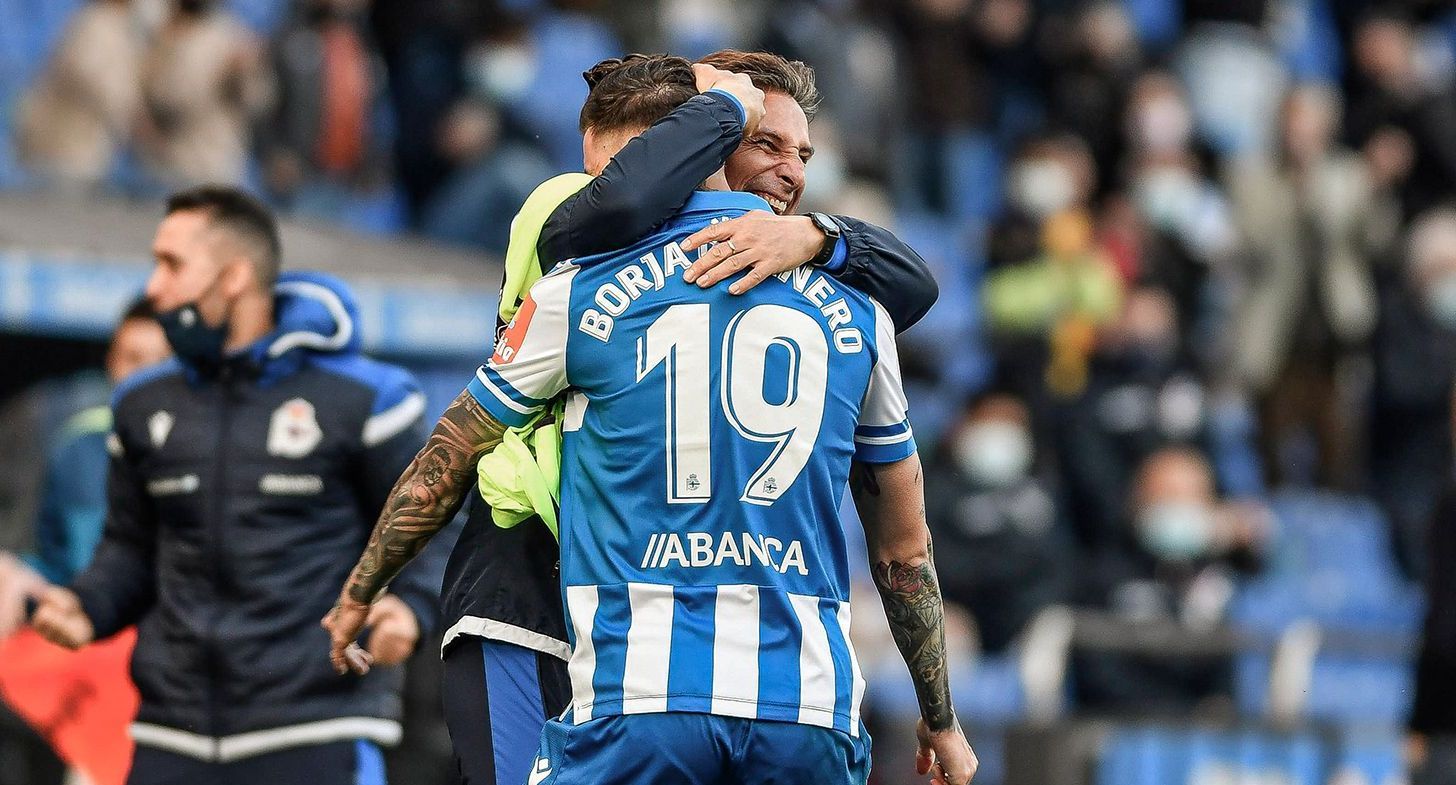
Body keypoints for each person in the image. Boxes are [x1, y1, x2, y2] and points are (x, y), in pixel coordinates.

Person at [327, 83, 975, 785]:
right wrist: (939, 713)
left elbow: (446, 455)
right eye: (769, 142)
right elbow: (904, 546)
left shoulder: (581, 287)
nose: (793, 171)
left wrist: (364, 584)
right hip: (804, 708)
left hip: (638, 692)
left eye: (804, 154)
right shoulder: (860, 313)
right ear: (704, 142)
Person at [30, 186, 449, 785]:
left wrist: (411, 608)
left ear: (234, 277)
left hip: (314, 727)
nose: (154, 287)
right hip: (168, 733)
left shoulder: (366, 400)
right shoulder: (141, 405)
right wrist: (85, 606)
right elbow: (128, 549)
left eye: (172, 264)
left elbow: (434, 524)